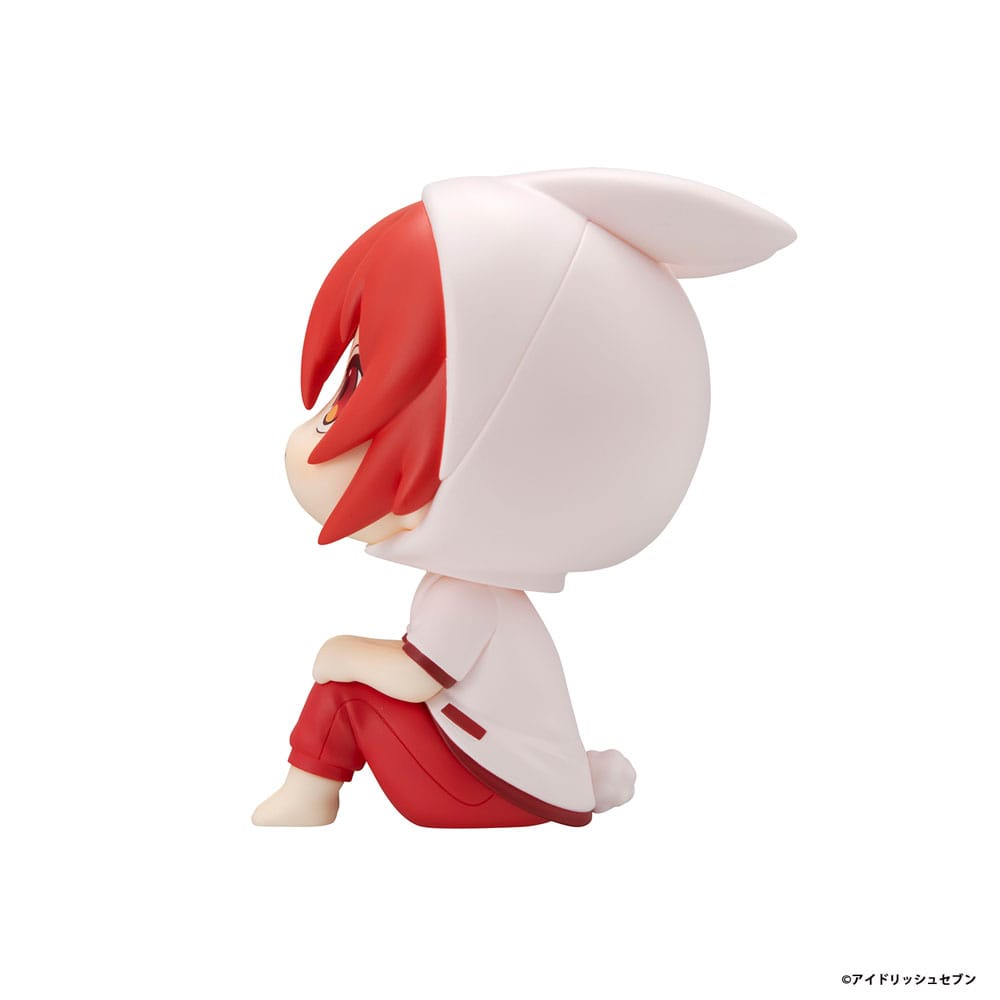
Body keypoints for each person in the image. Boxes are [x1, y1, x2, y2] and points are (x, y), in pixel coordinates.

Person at [252, 169, 795, 828]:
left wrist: (336, 652)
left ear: (482, 438)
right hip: (496, 769)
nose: (313, 437)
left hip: (483, 788)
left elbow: (416, 678)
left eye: (355, 391)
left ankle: (306, 801)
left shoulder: (467, 597)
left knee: (342, 694)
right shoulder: (472, 589)